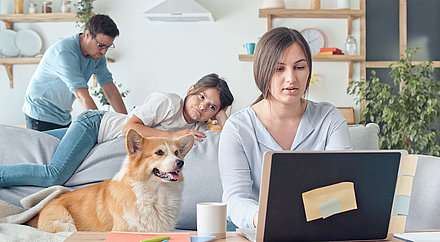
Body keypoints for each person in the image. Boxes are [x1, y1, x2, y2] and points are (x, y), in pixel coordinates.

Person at [218, 27, 352, 229]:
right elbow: (235, 198)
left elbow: (343, 187)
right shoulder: (237, 127)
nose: (291, 78)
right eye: (279, 69)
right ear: (262, 71)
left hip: (320, 227)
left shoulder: (329, 118)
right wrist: (263, 219)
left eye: (299, 67)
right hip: (258, 228)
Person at [0, 73, 234, 187]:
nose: (202, 105)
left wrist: (223, 114)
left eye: (211, 106)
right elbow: (129, 128)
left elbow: (231, 137)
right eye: (201, 96)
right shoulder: (168, 102)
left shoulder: (197, 127)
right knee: (54, 175)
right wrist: (172, 136)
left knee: (31, 140)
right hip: (95, 126)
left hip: (99, 133)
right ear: (190, 89)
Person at [22, 14, 128, 132]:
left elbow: (110, 90)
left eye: (108, 47)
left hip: (63, 116)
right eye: (101, 45)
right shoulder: (65, 53)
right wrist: (101, 129)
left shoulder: (97, 56)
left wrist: (126, 122)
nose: (104, 52)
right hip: (39, 114)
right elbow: (81, 96)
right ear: (87, 34)